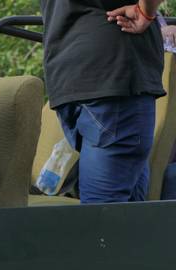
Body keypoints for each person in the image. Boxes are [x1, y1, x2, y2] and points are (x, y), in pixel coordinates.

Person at [40, 0, 165, 203]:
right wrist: (146, 12)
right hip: (114, 73)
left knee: (125, 214)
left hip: (69, 73)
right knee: (103, 219)